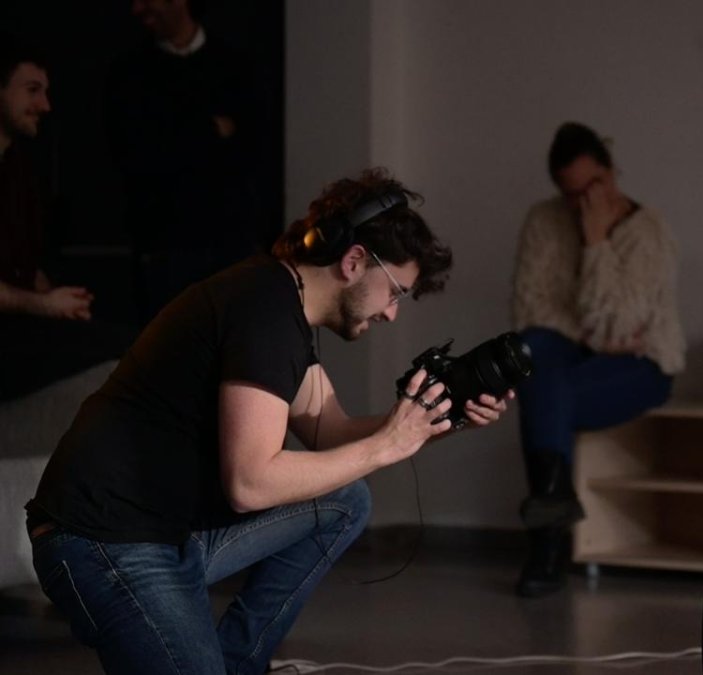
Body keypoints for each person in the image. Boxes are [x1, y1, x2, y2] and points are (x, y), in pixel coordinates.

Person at [25, 168, 513, 674]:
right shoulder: (264, 312)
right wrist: (388, 444)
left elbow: (332, 433)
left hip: (166, 532)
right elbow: (250, 484)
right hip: (103, 539)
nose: (392, 313)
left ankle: (238, 663)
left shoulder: (281, 305)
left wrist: (437, 422)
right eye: (395, 292)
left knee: (344, 501)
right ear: (353, 261)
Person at [510, 122, 686, 597]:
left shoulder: (646, 228)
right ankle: (551, 521)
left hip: (644, 366)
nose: (585, 200)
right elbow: (532, 313)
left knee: (543, 383)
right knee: (531, 353)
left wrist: (596, 241)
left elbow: (616, 324)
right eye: (573, 194)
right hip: (568, 358)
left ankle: (545, 544)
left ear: (611, 172)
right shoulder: (543, 222)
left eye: (595, 185)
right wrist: (595, 334)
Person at [107, 0, 264, 321]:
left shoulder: (235, 66)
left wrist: (179, 134)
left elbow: (255, 144)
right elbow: (137, 154)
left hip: (230, 242)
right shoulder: (131, 73)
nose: (137, 8)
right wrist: (212, 130)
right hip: (162, 245)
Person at [0, 37, 134, 400]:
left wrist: (60, 300)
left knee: (129, 338)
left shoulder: (19, 168)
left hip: (18, 323)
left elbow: (23, 264)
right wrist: (43, 304)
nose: (44, 105)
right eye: (32, 90)